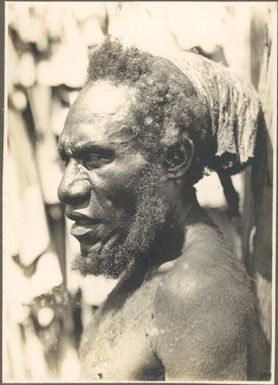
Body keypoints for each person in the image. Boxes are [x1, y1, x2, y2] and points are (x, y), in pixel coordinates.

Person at [57, 39, 266, 381]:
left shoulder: (195, 291)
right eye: (66, 159)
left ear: (174, 159)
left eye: (94, 158)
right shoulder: (146, 266)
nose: (66, 188)